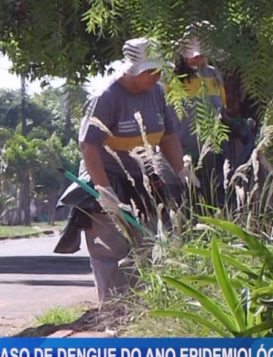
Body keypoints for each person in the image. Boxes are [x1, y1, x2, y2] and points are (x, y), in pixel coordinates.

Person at [53, 37, 187, 304]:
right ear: (134, 70)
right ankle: (113, 313)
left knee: (145, 247)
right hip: (106, 177)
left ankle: (138, 312)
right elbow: (88, 146)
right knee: (110, 250)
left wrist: (182, 172)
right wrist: (105, 192)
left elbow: (169, 137)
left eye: (159, 70)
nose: (157, 76)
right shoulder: (106, 97)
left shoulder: (158, 92)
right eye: (151, 71)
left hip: (143, 181)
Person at [173, 29, 256, 209]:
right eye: (195, 56)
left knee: (220, 199)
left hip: (216, 150)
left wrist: (237, 125)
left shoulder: (213, 74)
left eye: (203, 55)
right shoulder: (169, 79)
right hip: (184, 154)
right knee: (190, 205)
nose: (199, 60)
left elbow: (221, 112)